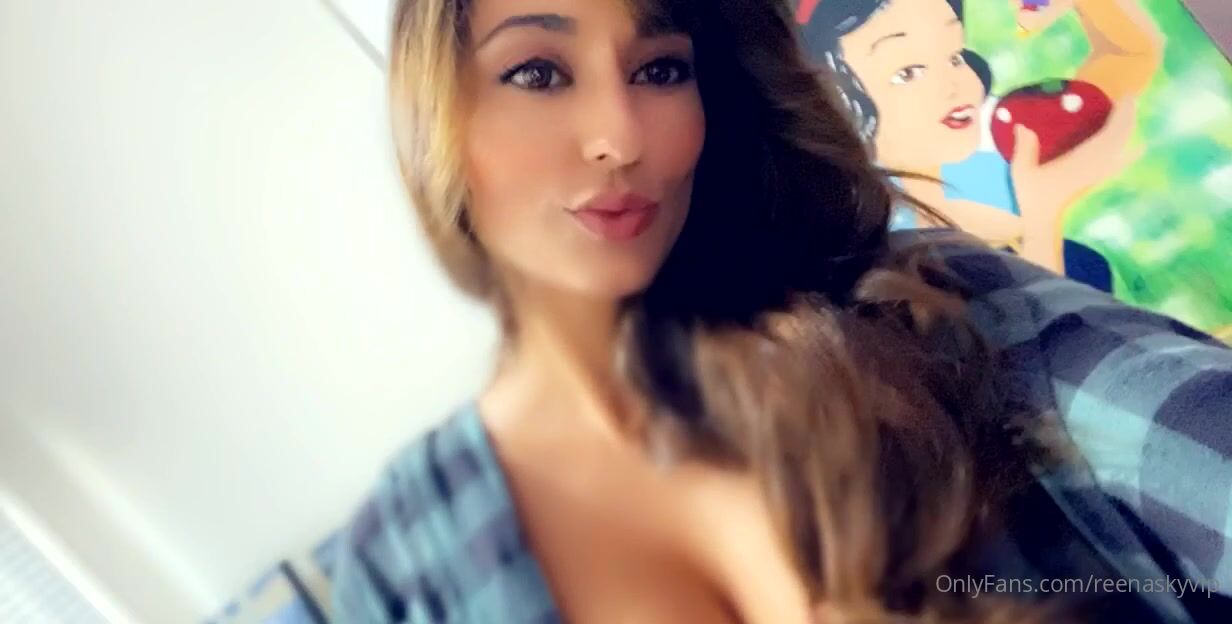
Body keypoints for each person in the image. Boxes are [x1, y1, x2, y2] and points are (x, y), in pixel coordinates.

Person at [329, 0, 1231, 622]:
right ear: (441, 118)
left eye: (660, 68)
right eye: (537, 71)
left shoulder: (928, 308)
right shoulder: (410, 564)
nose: (620, 137)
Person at [796, 0, 1162, 291]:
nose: (957, 85)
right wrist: (1042, 217)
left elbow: (1130, 54)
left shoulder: (1005, 148)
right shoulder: (887, 256)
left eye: (954, 56)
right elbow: (1038, 343)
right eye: (907, 73)